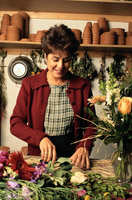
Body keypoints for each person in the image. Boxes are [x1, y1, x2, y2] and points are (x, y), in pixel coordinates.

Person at [10, 24, 95, 169]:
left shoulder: (83, 86)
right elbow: (15, 124)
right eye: (55, 59)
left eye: (66, 60)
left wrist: (84, 146)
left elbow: (92, 125)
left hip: (74, 160)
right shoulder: (30, 84)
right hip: (39, 160)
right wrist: (40, 138)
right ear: (45, 57)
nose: (60, 66)